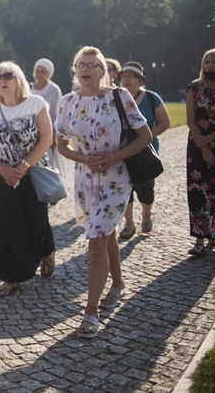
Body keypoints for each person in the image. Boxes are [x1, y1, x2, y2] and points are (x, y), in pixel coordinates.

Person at [55, 46, 152, 339]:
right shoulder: (67, 102)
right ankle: (118, 284)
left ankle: (90, 312)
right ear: (75, 71)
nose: (85, 68)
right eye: (80, 64)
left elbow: (145, 136)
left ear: (103, 71)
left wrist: (115, 156)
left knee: (96, 240)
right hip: (85, 178)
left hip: (116, 177)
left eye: (92, 64)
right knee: (105, 233)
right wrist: (85, 159)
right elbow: (61, 145)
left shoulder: (119, 96)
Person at [0, 62, 55, 297]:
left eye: (8, 75)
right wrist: (3, 170)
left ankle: (46, 251)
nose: (2, 80)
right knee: (5, 225)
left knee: (36, 220)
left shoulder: (36, 104)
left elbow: (46, 139)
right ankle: (11, 277)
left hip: (32, 173)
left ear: (19, 78)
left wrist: (23, 166)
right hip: (0, 177)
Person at [118, 61, 170, 239]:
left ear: (140, 80)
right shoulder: (116, 97)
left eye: (130, 76)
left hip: (146, 152)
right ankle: (129, 223)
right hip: (122, 151)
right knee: (125, 188)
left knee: (146, 189)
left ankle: (146, 214)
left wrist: (146, 135)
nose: (126, 79)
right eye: (123, 76)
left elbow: (165, 122)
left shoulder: (151, 98)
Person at [185, 48, 215, 256]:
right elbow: (191, 120)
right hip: (197, 143)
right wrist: (203, 145)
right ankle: (199, 239)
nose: (210, 65)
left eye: (214, 62)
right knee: (198, 189)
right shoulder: (194, 87)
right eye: (207, 62)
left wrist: (209, 140)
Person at [31, 58, 65, 176]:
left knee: (48, 164)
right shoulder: (29, 89)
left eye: (43, 71)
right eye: (38, 71)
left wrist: (55, 135)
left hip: (48, 131)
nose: (39, 74)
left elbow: (59, 113)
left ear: (48, 74)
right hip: (32, 132)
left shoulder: (54, 90)